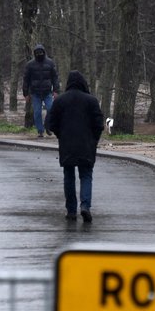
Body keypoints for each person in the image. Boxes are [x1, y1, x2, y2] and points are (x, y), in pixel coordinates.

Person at [46, 70, 104, 223]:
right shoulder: (91, 101)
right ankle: (85, 206)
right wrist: (94, 139)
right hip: (86, 143)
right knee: (86, 175)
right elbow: (99, 124)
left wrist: (61, 135)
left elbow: (51, 123)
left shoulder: (60, 101)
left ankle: (71, 210)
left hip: (67, 143)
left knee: (68, 176)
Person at [22, 44, 60, 138]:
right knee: (37, 112)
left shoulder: (50, 63)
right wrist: (26, 94)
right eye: (37, 53)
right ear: (35, 53)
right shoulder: (30, 65)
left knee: (51, 109)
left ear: (44, 52)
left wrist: (56, 90)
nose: (39, 54)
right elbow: (26, 80)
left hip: (47, 91)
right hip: (35, 92)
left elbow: (55, 78)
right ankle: (40, 131)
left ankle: (48, 126)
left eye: (41, 52)